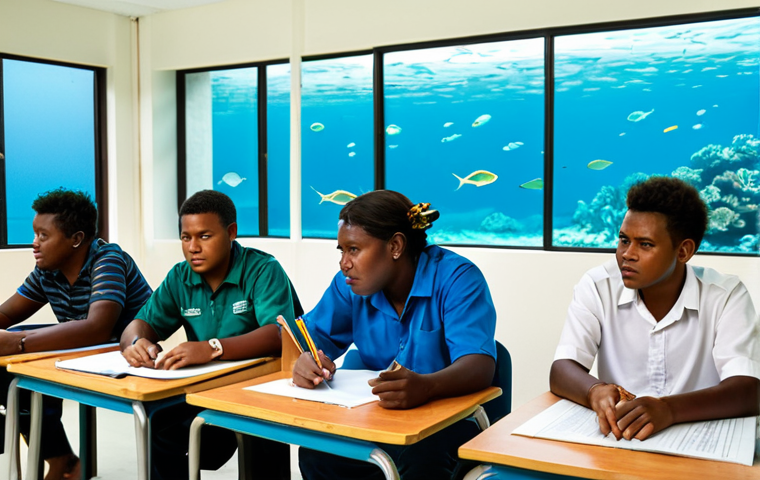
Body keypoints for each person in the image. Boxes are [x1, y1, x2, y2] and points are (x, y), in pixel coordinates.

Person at [293, 190, 497, 480]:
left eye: (354, 249)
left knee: (421, 459)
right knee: (318, 452)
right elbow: (305, 340)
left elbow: (480, 364)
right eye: (341, 251)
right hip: (380, 418)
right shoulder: (349, 285)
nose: (344, 263)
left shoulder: (458, 278)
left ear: (396, 246)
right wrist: (302, 361)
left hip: (447, 421)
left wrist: (426, 386)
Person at [550, 176, 760, 442]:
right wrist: (595, 390)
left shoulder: (726, 295)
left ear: (683, 251)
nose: (627, 253)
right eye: (624, 240)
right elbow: (561, 369)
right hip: (622, 441)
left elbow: (748, 390)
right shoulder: (597, 285)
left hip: (701, 443)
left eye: (645, 244)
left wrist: (669, 410)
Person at [120, 189, 302, 480]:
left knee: (262, 442)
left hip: (261, 392)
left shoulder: (263, 269)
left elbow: (278, 334)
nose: (193, 247)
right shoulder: (179, 277)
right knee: (159, 424)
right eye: (185, 237)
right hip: (204, 390)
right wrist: (135, 342)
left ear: (231, 232)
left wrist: (212, 347)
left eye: (204, 236)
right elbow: (140, 324)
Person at [0, 188, 152, 480]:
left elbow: (97, 328)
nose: (35, 244)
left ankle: (63, 462)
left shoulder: (108, 259)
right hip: (82, 349)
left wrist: (18, 342)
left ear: (77, 239)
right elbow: (7, 314)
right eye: (35, 234)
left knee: (18, 348)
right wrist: (13, 337)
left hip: (125, 351)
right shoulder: (47, 270)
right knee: (10, 362)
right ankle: (62, 459)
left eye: (43, 236)